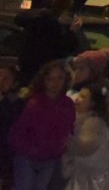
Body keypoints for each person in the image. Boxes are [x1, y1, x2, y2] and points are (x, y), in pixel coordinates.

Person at [12, 62, 73, 190]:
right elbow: (18, 132)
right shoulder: (34, 104)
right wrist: (30, 150)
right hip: (28, 158)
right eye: (50, 79)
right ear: (43, 80)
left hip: (49, 159)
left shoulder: (67, 104)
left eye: (59, 78)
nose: (55, 83)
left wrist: (59, 148)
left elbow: (68, 129)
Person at [14, 0, 81, 84]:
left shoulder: (34, 21)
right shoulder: (53, 28)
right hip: (43, 72)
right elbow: (62, 50)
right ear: (64, 10)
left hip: (27, 68)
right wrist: (72, 32)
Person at [62, 83, 109, 190]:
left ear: (93, 103)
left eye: (83, 97)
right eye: (79, 95)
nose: (77, 99)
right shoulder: (81, 119)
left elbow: (84, 147)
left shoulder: (93, 122)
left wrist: (64, 139)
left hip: (92, 178)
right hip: (85, 174)